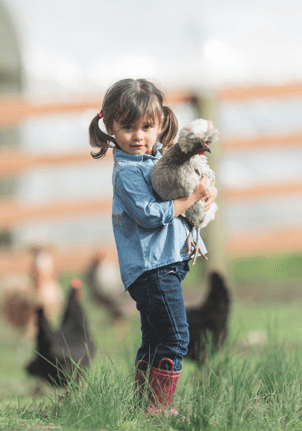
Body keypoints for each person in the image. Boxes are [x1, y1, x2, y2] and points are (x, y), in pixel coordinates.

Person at [88, 78, 217, 415]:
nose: (138, 135)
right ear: (111, 127)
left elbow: (189, 172)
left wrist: (206, 189)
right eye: (128, 126)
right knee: (176, 337)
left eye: (147, 126)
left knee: (155, 338)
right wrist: (190, 198)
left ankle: (144, 405)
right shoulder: (128, 173)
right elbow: (150, 216)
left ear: (161, 125)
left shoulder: (158, 160)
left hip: (164, 266)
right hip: (152, 269)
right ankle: (160, 407)